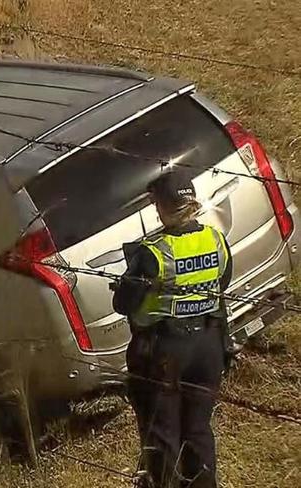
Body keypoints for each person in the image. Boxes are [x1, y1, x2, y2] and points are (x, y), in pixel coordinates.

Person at [112, 170, 233, 488]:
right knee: (197, 428)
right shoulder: (215, 239)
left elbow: (124, 304)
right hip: (208, 345)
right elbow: (222, 283)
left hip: (165, 349)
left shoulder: (153, 252)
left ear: (163, 207)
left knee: (163, 434)